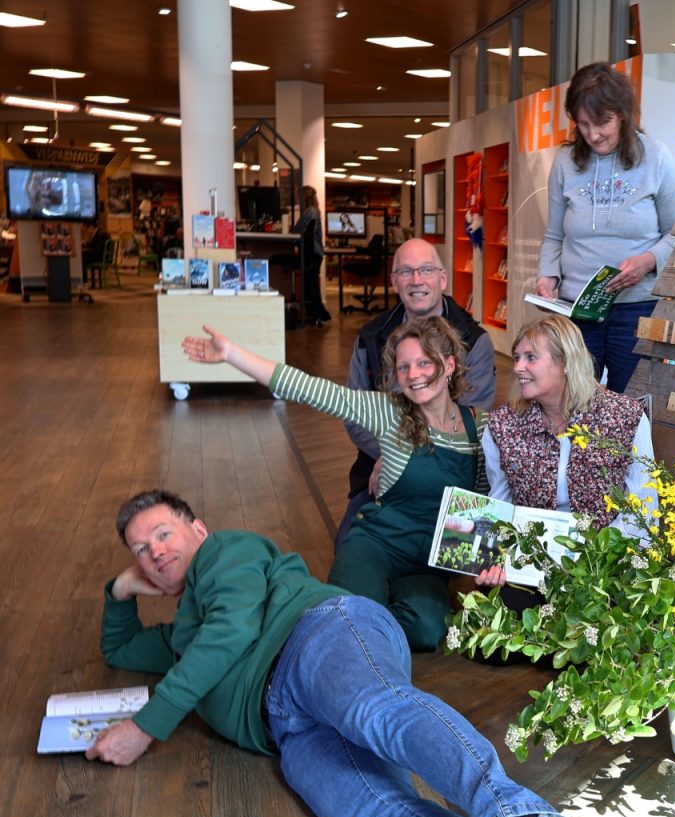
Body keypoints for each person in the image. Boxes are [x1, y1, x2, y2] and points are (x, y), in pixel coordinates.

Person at [86, 489, 590, 817]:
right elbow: (123, 649)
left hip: (318, 634)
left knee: (374, 712)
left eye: (163, 533)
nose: (155, 552)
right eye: (140, 549)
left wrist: (144, 728)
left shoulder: (223, 553)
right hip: (286, 728)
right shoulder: (181, 638)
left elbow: (232, 631)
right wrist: (120, 589)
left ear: (196, 528)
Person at [182, 315, 488, 651]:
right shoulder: (389, 412)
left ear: (448, 365)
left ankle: (356, 625)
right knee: (348, 617)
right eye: (403, 367)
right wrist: (231, 354)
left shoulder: (479, 428)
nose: (412, 375)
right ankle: (323, 622)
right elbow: (313, 390)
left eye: (423, 363)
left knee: (427, 630)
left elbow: (482, 506)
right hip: (375, 545)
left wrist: (475, 573)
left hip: (426, 564)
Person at [477, 315, 657, 603]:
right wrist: (492, 557)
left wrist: (593, 558)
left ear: (566, 364)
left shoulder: (624, 417)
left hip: (606, 563)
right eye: (517, 357)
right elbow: (501, 503)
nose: (518, 367)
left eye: (531, 357)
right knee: (506, 615)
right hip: (531, 564)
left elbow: (642, 510)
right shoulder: (503, 426)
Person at [337, 237, 497, 549]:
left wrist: (406, 457)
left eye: (426, 270)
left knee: (461, 565)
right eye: (406, 272)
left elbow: (472, 420)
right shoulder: (369, 338)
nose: (417, 280)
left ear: (443, 279)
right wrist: (393, 456)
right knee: (349, 548)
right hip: (380, 464)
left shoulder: (475, 341)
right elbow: (354, 418)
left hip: (456, 471)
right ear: (394, 280)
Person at [535, 62, 675, 394]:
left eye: (602, 123)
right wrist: (547, 276)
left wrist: (648, 261)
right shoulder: (565, 162)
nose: (593, 135)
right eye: (583, 124)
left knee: (631, 404)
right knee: (573, 401)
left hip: (637, 308)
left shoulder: (655, 157)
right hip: (578, 310)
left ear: (623, 115)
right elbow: (555, 235)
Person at [296, 185, 331, 326]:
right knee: (311, 284)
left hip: (312, 253)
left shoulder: (310, 212)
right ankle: (317, 314)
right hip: (315, 253)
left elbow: (299, 230)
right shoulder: (312, 211)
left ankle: (317, 314)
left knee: (310, 284)